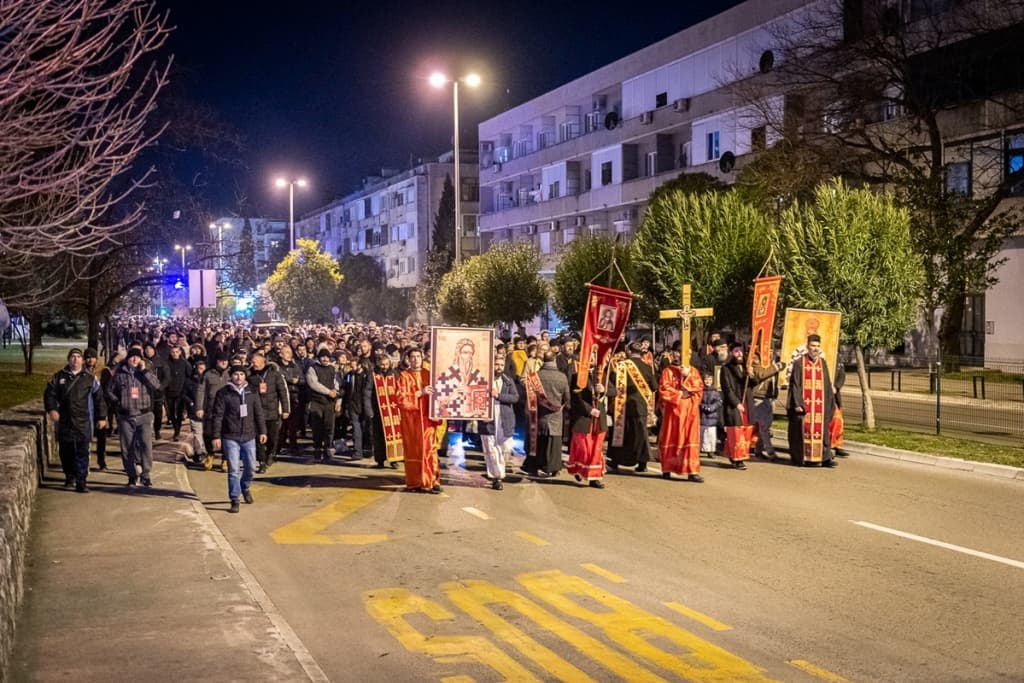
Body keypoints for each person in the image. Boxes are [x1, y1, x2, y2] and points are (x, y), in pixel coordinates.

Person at [44, 348, 108, 492]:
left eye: (78, 357)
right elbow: (49, 394)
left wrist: (102, 417)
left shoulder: (90, 378)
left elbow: (100, 399)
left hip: (83, 421)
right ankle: (69, 477)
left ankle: (81, 481)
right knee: (66, 452)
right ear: (68, 359)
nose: (75, 359)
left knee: (82, 453)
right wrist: (52, 409)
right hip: (65, 421)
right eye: (72, 356)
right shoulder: (58, 377)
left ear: (82, 360)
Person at [211, 365, 267, 513]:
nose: (239, 377)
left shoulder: (252, 392)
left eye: (242, 374)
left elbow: (259, 413)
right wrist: (216, 436)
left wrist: (262, 431)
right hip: (231, 436)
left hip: (249, 436)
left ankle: (245, 486)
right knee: (233, 469)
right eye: (236, 374)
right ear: (231, 376)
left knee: (251, 468)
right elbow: (218, 416)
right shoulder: (223, 393)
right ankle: (235, 498)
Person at [106, 347, 160, 487]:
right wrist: (118, 402)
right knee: (127, 448)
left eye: (137, 357)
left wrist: (144, 371)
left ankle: (146, 474)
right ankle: (131, 475)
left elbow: (157, 386)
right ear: (128, 359)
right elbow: (109, 391)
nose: (135, 359)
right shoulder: (120, 373)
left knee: (146, 446)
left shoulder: (146, 371)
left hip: (144, 415)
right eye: (132, 357)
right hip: (126, 416)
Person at [397, 347, 443, 493]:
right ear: (408, 359)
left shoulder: (429, 375)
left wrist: (438, 410)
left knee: (429, 449)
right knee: (414, 451)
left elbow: (440, 396)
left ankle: (433, 480)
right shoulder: (404, 376)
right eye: (413, 357)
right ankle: (415, 482)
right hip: (411, 421)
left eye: (418, 356)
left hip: (427, 420)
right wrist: (418, 393)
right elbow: (400, 399)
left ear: (422, 358)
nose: (416, 359)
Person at [787, 334, 838, 468]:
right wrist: (797, 403)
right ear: (807, 346)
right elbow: (795, 385)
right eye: (813, 346)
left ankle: (825, 458)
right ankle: (806, 458)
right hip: (806, 406)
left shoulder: (823, 363)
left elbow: (827, 385)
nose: (815, 349)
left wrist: (830, 403)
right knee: (805, 431)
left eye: (817, 346)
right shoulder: (799, 363)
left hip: (820, 406)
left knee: (823, 431)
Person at [607, 341, 657, 474]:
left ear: (629, 351)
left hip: (622, 406)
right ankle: (642, 463)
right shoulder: (647, 367)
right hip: (640, 407)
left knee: (621, 435)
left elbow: (612, 382)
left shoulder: (621, 366)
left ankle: (616, 461)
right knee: (640, 435)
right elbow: (654, 387)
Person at [657, 345, 705, 482]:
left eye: (687, 353)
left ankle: (692, 471)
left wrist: (687, 375)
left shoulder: (693, 371)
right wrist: (678, 394)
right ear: (674, 353)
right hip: (673, 410)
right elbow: (663, 389)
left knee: (690, 438)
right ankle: (667, 468)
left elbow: (699, 387)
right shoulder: (667, 371)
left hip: (690, 411)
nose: (682, 355)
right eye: (679, 352)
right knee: (671, 437)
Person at [520, 350, 571, 477]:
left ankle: (534, 466)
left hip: (538, 415)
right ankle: (553, 468)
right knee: (554, 443)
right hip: (556, 416)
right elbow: (567, 397)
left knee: (538, 442)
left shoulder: (535, 376)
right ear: (554, 360)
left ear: (543, 360)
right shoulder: (562, 377)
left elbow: (529, 397)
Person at [566, 352, 609, 488]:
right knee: (584, 448)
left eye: (595, 356)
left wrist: (603, 390)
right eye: (590, 356)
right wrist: (589, 410)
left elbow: (613, 390)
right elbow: (576, 399)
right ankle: (580, 469)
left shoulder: (602, 375)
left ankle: (594, 477)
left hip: (599, 420)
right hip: (584, 418)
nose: (592, 359)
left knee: (596, 449)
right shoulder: (577, 377)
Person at [478, 354, 519, 489]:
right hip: (488, 418)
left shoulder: (508, 381)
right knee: (491, 449)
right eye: (496, 364)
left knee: (505, 448)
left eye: (501, 365)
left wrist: (498, 396)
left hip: (505, 418)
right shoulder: (481, 380)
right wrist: (480, 413)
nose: (499, 367)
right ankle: (497, 477)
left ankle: (499, 471)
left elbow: (515, 398)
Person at [248, 350, 289, 473]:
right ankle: (261, 461)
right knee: (258, 438)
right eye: (252, 362)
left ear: (262, 362)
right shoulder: (250, 376)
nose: (253, 364)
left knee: (272, 437)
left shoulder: (274, 374)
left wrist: (286, 409)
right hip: (257, 413)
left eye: (255, 362)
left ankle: (271, 453)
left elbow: (282, 392)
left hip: (272, 411)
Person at [433, 337, 489, 419]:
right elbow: (439, 398)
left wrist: (469, 391)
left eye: (470, 353)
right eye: (465, 352)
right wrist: (453, 395)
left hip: (471, 415)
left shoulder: (476, 373)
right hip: (453, 412)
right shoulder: (450, 372)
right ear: (458, 353)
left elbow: (482, 396)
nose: (468, 356)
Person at [196, 351, 231, 471]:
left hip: (227, 410)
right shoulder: (208, 374)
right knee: (208, 434)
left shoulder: (231, 373)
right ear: (216, 361)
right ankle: (210, 454)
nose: (224, 363)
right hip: (211, 408)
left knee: (226, 435)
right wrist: (199, 407)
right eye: (221, 360)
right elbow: (201, 391)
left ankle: (225, 459)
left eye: (225, 361)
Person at [307, 347, 341, 462]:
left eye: (327, 357)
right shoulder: (313, 368)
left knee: (329, 426)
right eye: (323, 357)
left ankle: (328, 448)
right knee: (317, 427)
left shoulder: (332, 369)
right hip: (317, 401)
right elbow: (313, 384)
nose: (325, 359)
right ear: (319, 358)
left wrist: (337, 396)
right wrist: (328, 392)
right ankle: (317, 449)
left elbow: (336, 383)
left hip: (330, 402)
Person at [369, 352, 402, 468]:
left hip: (393, 411)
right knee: (379, 436)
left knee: (395, 435)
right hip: (378, 411)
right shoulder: (372, 375)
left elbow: (400, 390)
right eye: (382, 365)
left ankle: (394, 459)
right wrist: (369, 410)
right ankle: (380, 460)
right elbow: (367, 393)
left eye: (386, 364)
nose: (384, 367)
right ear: (378, 364)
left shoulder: (394, 374)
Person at [164, 344, 191, 440]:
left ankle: (177, 431)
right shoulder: (166, 363)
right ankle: (175, 426)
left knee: (179, 412)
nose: (175, 354)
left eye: (176, 352)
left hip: (181, 391)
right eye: (173, 352)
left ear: (180, 352)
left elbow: (189, 376)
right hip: (169, 391)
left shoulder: (185, 363)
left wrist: (185, 388)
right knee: (171, 413)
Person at [699, 372, 721, 459]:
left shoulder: (715, 391)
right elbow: (698, 401)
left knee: (711, 434)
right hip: (703, 415)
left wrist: (712, 407)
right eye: (706, 379)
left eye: (710, 380)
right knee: (703, 433)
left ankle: (711, 450)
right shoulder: (701, 391)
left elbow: (718, 402)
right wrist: (704, 407)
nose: (708, 381)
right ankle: (702, 448)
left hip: (712, 415)